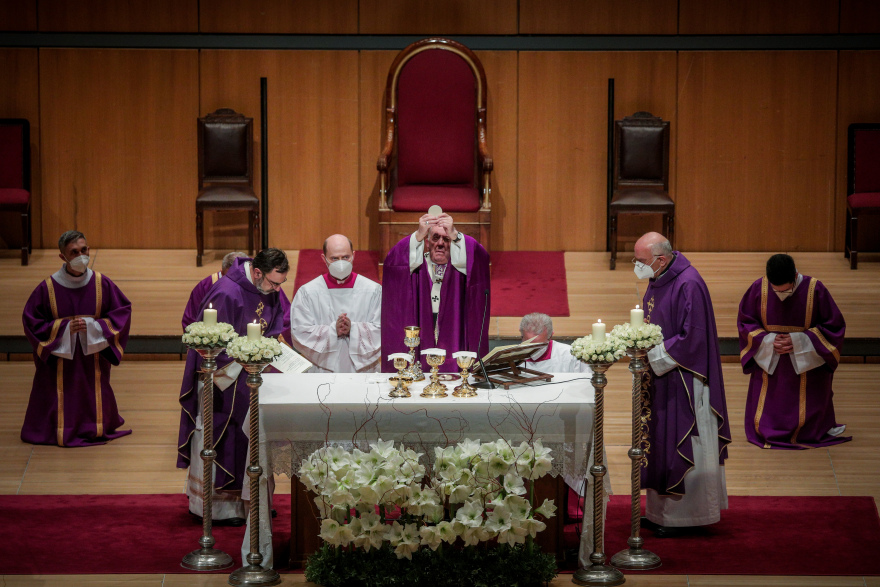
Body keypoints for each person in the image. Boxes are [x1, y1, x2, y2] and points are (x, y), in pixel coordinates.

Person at [176, 248, 291, 525]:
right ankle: (221, 510)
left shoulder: (270, 287)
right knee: (224, 435)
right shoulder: (227, 292)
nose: (276, 290)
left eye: (281, 284)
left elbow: (274, 325)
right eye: (274, 283)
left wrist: (269, 351)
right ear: (257, 272)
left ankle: (253, 502)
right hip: (225, 378)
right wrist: (249, 358)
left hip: (254, 372)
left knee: (255, 435)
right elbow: (211, 342)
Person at [634, 232, 731, 537]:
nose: (638, 268)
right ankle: (659, 512)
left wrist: (652, 352)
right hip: (661, 377)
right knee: (659, 438)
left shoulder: (689, 283)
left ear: (660, 259)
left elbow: (694, 337)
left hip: (686, 381)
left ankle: (687, 517)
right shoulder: (659, 277)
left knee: (681, 439)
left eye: (641, 261)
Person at [21, 230, 132, 447]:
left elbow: (122, 313)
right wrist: (63, 328)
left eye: (84, 250)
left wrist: (93, 326)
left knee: (92, 390)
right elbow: (31, 322)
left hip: (93, 358)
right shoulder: (48, 288)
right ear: (62, 256)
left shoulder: (102, 283)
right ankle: (58, 428)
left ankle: (95, 426)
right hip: (59, 360)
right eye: (74, 252)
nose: (81, 255)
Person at [738, 253, 850, 449]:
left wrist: (800, 341)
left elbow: (834, 327)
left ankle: (808, 429)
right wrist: (768, 340)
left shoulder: (815, 289)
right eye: (776, 290)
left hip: (808, 364)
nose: (781, 295)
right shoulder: (759, 288)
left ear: (796, 275)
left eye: (786, 291)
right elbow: (746, 322)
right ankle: (768, 427)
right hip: (771, 358)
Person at [381, 213, 490, 373]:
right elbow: (393, 262)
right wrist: (418, 234)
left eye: (446, 239)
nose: (440, 243)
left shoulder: (461, 265)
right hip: (422, 325)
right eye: (435, 238)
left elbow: (480, 259)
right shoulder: (416, 264)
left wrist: (457, 236)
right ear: (427, 242)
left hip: (454, 330)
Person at [290, 234, 382, 373]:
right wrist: (333, 331)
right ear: (324, 259)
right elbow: (300, 331)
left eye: (346, 257)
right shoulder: (308, 292)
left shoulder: (373, 290)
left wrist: (353, 329)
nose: (341, 263)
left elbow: (382, 329)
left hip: (363, 371)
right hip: (323, 370)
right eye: (334, 258)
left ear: (354, 255)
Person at [181, 251, 247, 330]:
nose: (234, 282)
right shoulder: (204, 287)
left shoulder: (254, 284)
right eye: (230, 277)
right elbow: (191, 319)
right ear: (221, 272)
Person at [519, 312, 590, 374]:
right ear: (521, 335)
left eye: (539, 345)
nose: (533, 349)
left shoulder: (570, 355)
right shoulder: (511, 357)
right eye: (528, 344)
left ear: (550, 336)